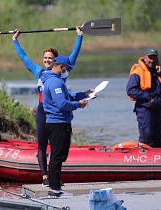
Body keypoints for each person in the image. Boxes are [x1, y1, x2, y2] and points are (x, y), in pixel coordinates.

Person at [12, 26, 83, 186]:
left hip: (56, 113)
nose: (46, 60)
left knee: (57, 148)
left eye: (50, 58)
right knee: (42, 145)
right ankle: (45, 177)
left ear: (56, 61)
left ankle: (54, 177)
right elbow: (24, 58)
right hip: (42, 111)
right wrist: (15, 41)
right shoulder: (39, 72)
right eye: (45, 58)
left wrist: (79, 37)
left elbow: (73, 57)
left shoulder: (62, 72)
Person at [41, 55, 93, 197]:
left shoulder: (55, 80)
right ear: (61, 66)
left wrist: (84, 94)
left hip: (57, 122)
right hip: (58, 123)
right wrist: (79, 105)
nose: (67, 71)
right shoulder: (54, 82)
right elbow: (62, 104)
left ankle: (55, 187)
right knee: (57, 156)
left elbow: (67, 96)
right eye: (67, 68)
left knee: (58, 155)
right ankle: (55, 189)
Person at [126, 48, 161, 148]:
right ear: (145, 58)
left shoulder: (159, 72)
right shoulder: (138, 72)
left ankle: (160, 160)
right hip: (145, 110)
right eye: (150, 58)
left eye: (154, 58)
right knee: (147, 139)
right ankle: (143, 159)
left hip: (159, 110)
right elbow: (130, 90)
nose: (152, 60)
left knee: (159, 140)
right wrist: (148, 97)